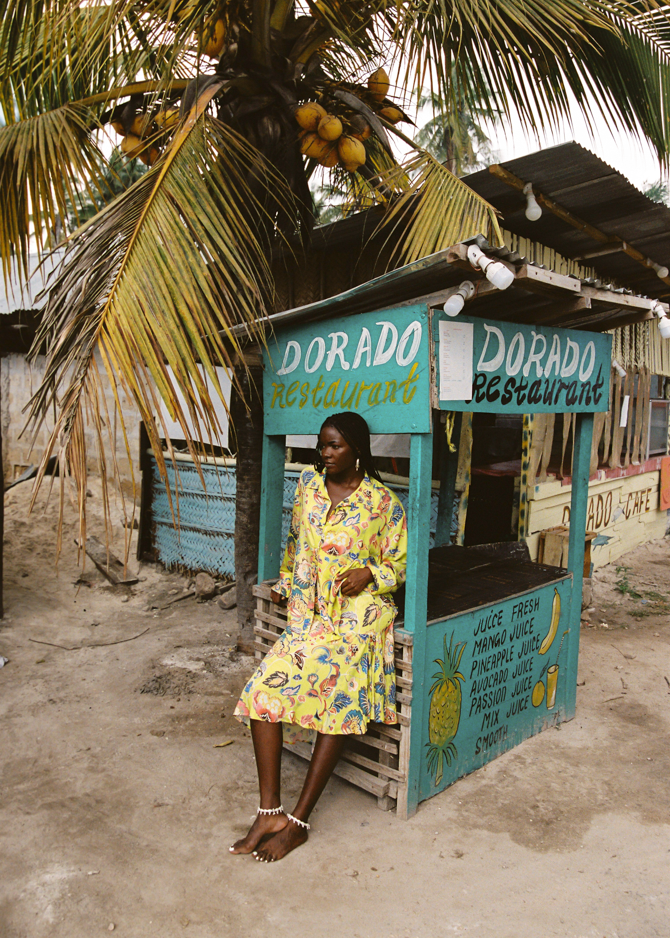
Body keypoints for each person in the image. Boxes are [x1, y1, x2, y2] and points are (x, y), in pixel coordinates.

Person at [231, 412, 407, 862]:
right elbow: (296, 543)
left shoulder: (383, 504)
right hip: (310, 616)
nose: (324, 454)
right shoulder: (308, 487)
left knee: (338, 699)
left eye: (334, 446)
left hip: (358, 618)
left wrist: (372, 573)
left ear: (358, 449)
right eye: (322, 445)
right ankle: (269, 811)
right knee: (262, 698)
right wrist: (286, 581)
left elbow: (403, 565)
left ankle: (299, 821)